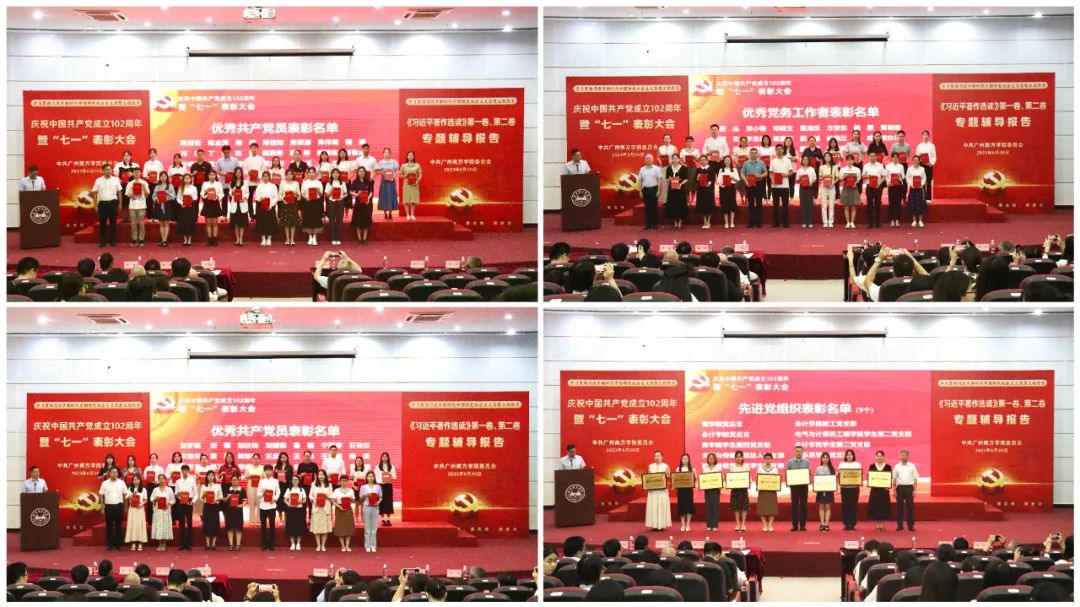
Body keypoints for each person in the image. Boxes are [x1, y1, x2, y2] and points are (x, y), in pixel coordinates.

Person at [91, 162, 123, 247]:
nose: (108, 171)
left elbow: (119, 191)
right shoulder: (98, 180)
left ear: (112, 170)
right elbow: (94, 192)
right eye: (106, 169)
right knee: (102, 223)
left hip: (113, 203)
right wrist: (95, 205)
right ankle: (102, 241)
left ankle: (113, 241)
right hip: (102, 204)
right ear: (103, 171)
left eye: (110, 169)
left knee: (113, 223)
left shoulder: (115, 180)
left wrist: (120, 203)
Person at [99, 466, 129, 551]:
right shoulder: (105, 483)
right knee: (109, 526)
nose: (114, 474)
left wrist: (126, 507)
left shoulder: (121, 482)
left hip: (119, 506)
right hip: (108, 507)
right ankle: (110, 544)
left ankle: (118, 545)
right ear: (109, 473)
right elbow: (101, 494)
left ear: (117, 473)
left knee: (119, 526)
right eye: (112, 472)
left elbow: (125, 495)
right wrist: (102, 507)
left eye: (116, 472)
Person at [768, 143, 793, 228]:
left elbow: (791, 172)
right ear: (775, 151)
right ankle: (776, 222)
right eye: (777, 149)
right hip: (775, 186)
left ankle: (785, 222)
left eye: (780, 149)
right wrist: (772, 180)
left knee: (785, 205)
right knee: (775, 205)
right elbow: (770, 173)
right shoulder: (773, 161)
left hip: (785, 186)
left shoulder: (787, 160)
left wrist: (785, 175)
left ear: (783, 150)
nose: (779, 150)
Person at [645, 450, 671, 531]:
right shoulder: (650, 466)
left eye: (658, 456)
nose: (657, 457)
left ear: (662, 457)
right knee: (653, 507)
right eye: (655, 456)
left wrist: (667, 472)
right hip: (652, 491)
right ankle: (654, 525)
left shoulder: (665, 466)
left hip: (662, 491)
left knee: (661, 506)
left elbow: (669, 476)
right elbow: (648, 478)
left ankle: (661, 525)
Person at [255, 465, 280, 550]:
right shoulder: (261, 482)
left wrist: (275, 499)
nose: (268, 472)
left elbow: (278, 492)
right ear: (264, 471)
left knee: (272, 526)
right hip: (263, 506)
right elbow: (258, 494)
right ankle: (264, 544)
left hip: (272, 506)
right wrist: (262, 493)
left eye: (270, 470)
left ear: (272, 471)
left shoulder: (275, 481)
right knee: (263, 526)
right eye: (267, 470)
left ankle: (271, 544)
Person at [741, 148, 767, 228]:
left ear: (757, 154)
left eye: (755, 153)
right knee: (750, 203)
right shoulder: (746, 163)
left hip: (759, 184)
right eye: (752, 153)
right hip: (749, 184)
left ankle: (759, 222)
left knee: (759, 203)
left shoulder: (761, 162)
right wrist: (746, 181)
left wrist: (760, 175)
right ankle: (751, 222)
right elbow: (742, 173)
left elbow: (766, 172)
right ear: (749, 154)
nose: (753, 154)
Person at [867, 450, 892, 532]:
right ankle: (877, 524)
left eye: (881, 456)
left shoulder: (888, 466)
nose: (879, 457)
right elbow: (870, 478)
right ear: (875, 457)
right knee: (876, 506)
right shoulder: (872, 466)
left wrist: (888, 486)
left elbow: (889, 478)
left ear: (883, 457)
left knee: (883, 506)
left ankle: (882, 524)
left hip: (884, 491)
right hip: (875, 491)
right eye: (878, 456)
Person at [893, 450, 918, 531]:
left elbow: (915, 479)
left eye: (905, 455)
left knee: (910, 507)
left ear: (908, 456)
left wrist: (915, 490)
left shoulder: (912, 466)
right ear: (900, 456)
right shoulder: (897, 466)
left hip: (909, 488)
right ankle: (899, 525)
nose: (903, 457)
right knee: (899, 507)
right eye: (902, 455)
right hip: (899, 488)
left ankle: (911, 525)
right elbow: (894, 479)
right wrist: (894, 490)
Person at [348, 166, 375, 243]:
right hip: (358, 204)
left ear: (365, 173)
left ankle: (365, 238)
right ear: (358, 173)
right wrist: (357, 194)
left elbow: (371, 192)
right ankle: (359, 238)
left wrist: (368, 198)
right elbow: (350, 191)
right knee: (358, 221)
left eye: (363, 171)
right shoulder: (355, 182)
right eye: (360, 171)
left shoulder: (368, 182)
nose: (361, 173)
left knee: (366, 221)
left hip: (366, 204)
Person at [124, 167, 149, 246]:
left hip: (142, 205)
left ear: (140, 173)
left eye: (138, 172)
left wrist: (144, 188)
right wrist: (131, 195)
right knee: (133, 223)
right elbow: (127, 194)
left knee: (141, 223)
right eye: (135, 172)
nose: (136, 174)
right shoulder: (130, 183)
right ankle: (134, 239)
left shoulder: (144, 183)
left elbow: (147, 195)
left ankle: (141, 239)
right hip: (132, 205)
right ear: (133, 173)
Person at [173, 464, 197, 550]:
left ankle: (189, 543)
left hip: (189, 503)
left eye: (186, 470)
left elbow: (196, 494)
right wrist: (180, 497)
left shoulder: (192, 481)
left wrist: (192, 502)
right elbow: (176, 493)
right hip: (181, 502)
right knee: (181, 523)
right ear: (181, 471)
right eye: (183, 470)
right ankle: (182, 543)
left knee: (189, 523)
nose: (184, 472)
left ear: (188, 471)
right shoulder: (178, 481)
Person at [309, 469, 334, 552]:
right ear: (317, 476)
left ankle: (323, 545)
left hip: (325, 508)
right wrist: (314, 500)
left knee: (325, 528)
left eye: (323, 474)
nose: (321, 476)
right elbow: (310, 495)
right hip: (316, 508)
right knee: (317, 527)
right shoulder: (313, 484)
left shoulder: (329, 485)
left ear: (325, 476)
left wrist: (327, 496)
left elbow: (332, 496)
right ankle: (318, 545)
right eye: (319, 474)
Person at [787, 445, 810, 532]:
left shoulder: (807, 462)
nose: (798, 452)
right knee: (794, 505)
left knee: (803, 505)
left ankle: (803, 525)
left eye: (800, 451)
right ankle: (795, 525)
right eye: (797, 451)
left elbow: (808, 474)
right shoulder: (790, 462)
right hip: (794, 487)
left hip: (804, 486)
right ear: (794, 452)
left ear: (802, 452)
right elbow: (788, 474)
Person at [252, 171, 279, 247]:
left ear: (269, 177)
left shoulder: (273, 186)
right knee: (262, 222)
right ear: (262, 177)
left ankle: (269, 238)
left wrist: (271, 205)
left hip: (270, 207)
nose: (265, 178)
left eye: (267, 176)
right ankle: (263, 238)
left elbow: (276, 197)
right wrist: (260, 198)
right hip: (261, 207)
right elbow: (256, 197)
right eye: (264, 176)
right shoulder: (259, 186)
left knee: (270, 222)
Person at [199, 169, 225, 246]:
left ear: (215, 175)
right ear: (208, 176)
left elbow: (222, 194)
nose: (212, 176)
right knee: (208, 223)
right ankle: (209, 239)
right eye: (210, 175)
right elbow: (202, 194)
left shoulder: (218, 184)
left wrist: (217, 196)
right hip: (207, 203)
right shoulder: (205, 184)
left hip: (215, 203)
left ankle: (215, 239)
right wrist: (206, 191)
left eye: (213, 175)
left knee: (215, 223)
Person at [638, 154, 663, 230]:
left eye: (650, 158)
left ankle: (655, 224)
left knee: (654, 207)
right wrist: (640, 191)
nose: (648, 160)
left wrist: (658, 190)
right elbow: (640, 180)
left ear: (653, 160)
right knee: (647, 207)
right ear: (645, 160)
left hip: (654, 189)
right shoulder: (642, 169)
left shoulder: (657, 168)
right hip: (645, 189)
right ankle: (648, 224)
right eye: (647, 158)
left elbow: (660, 180)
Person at [359, 471, 382, 552]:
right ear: (366, 478)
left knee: (374, 527)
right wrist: (365, 495)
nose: (371, 478)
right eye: (369, 476)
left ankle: (373, 545)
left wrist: (378, 502)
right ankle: (367, 545)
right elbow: (360, 498)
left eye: (372, 476)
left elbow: (380, 497)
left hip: (375, 507)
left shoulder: (378, 486)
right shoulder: (363, 487)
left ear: (374, 477)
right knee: (367, 527)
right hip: (367, 507)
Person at [862, 152, 886, 228]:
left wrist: (879, 184)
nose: (872, 157)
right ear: (869, 157)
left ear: (876, 157)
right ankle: (870, 223)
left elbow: (884, 176)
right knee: (869, 205)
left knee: (878, 204)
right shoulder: (866, 166)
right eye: (871, 156)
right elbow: (863, 176)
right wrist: (867, 177)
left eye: (874, 156)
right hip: (869, 187)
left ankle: (877, 222)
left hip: (878, 187)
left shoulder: (880, 165)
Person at [837, 449, 860, 531]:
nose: (849, 456)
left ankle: (852, 524)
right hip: (845, 488)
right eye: (848, 455)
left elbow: (859, 475)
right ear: (845, 456)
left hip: (854, 488)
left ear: (853, 456)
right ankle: (846, 524)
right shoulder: (841, 464)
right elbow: (838, 475)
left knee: (853, 506)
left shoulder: (857, 464)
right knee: (845, 506)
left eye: (851, 454)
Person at [698, 453, 722, 531]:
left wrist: (720, 485)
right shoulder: (705, 469)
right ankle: (709, 524)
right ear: (707, 460)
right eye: (709, 458)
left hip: (716, 490)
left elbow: (721, 479)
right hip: (708, 490)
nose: (711, 459)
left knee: (715, 507)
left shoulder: (718, 468)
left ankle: (715, 525)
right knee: (708, 507)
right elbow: (703, 480)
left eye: (712, 458)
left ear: (715, 459)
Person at [151, 171, 176, 246]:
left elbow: (174, 196)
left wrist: (168, 193)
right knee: (161, 223)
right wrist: (156, 199)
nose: (163, 178)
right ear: (159, 177)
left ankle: (165, 240)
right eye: (161, 176)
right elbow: (153, 196)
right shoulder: (157, 186)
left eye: (165, 176)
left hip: (167, 205)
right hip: (159, 205)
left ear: (167, 177)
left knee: (166, 223)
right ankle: (162, 239)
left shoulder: (170, 186)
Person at [283, 474, 307, 551]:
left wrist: (300, 501)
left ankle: (298, 543)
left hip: (299, 509)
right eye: (293, 480)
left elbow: (305, 500)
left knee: (299, 526)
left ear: (299, 481)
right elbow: (285, 499)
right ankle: (293, 543)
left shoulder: (301, 490)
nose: (295, 481)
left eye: (296, 480)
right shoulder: (289, 490)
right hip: (291, 510)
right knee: (291, 526)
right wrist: (288, 504)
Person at [200, 470, 223, 551]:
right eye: (209, 475)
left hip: (215, 506)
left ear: (214, 477)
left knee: (215, 524)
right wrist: (204, 494)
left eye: (212, 475)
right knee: (207, 524)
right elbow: (201, 498)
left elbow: (221, 497)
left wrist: (216, 499)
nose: (210, 477)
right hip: (207, 507)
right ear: (206, 477)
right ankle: (207, 544)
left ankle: (213, 544)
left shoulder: (217, 486)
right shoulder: (204, 486)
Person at [324, 168, 347, 245]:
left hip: (340, 202)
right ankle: (333, 238)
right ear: (332, 174)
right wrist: (331, 191)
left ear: (339, 174)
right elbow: (326, 195)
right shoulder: (329, 183)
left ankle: (338, 238)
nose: (336, 174)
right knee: (332, 220)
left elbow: (346, 193)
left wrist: (341, 197)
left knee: (339, 220)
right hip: (332, 202)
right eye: (334, 173)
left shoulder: (342, 183)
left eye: (337, 173)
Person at [664, 154, 689, 229]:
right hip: (672, 190)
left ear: (679, 159)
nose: (675, 160)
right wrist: (669, 179)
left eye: (676, 158)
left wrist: (681, 183)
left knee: (680, 205)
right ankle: (675, 223)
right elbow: (666, 179)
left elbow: (686, 179)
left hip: (680, 189)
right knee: (673, 205)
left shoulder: (683, 168)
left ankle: (680, 222)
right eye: (673, 158)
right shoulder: (669, 168)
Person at [332, 477, 356, 551]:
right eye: (342, 481)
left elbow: (353, 501)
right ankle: (342, 545)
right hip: (339, 509)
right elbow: (333, 501)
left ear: (348, 482)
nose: (344, 482)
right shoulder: (336, 490)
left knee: (348, 527)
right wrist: (339, 506)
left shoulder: (351, 490)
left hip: (348, 510)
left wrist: (351, 499)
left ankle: (347, 546)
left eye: (345, 481)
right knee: (340, 527)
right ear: (339, 482)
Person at [756, 452, 778, 531]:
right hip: (763, 491)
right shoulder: (760, 468)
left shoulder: (775, 468)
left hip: (772, 491)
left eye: (769, 458)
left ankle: (770, 525)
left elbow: (776, 479)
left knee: (772, 509)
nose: (768, 460)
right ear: (764, 459)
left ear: (771, 459)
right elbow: (757, 478)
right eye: (766, 458)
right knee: (762, 509)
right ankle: (765, 525)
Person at [376, 147, 400, 221]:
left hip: (391, 180)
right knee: (384, 196)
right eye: (385, 152)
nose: (386, 154)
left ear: (390, 153)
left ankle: (390, 213)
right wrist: (384, 171)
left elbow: (398, 170)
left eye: (388, 152)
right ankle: (385, 213)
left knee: (391, 196)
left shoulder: (394, 162)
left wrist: (394, 176)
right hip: (384, 181)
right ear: (383, 154)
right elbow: (378, 172)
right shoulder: (380, 162)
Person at [175, 173, 198, 247]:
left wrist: (191, 198)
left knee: (190, 223)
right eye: (185, 178)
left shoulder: (193, 188)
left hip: (191, 207)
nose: (187, 180)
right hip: (183, 207)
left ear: (191, 179)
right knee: (184, 223)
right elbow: (178, 198)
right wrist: (182, 203)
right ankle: (185, 239)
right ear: (183, 179)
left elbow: (195, 197)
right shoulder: (180, 187)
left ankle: (189, 239)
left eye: (188, 178)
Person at [223, 474, 245, 551]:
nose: (234, 481)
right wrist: (227, 497)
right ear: (231, 481)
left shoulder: (242, 490)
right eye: (233, 480)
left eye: (236, 480)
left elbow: (245, 500)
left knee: (238, 528)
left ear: (238, 481)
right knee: (230, 528)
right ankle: (231, 545)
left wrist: (241, 505)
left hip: (238, 511)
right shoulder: (227, 489)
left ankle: (238, 545)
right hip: (229, 511)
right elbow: (224, 500)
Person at [696, 151, 718, 229]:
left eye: (704, 160)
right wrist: (698, 178)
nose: (702, 161)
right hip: (701, 190)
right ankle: (704, 221)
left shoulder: (711, 169)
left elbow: (713, 179)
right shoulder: (698, 169)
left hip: (709, 190)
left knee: (709, 205)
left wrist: (709, 183)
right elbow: (696, 180)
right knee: (703, 206)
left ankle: (709, 221)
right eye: (701, 160)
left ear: (707, 160)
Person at [815, 452, 836, 531]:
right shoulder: (818, 469)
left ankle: (826, 524)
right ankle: (822, 524)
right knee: (821, 507)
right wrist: (816, 487)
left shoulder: (831, 469)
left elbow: (834, 480)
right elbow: (816, 480)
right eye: (823, 457)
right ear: (821, 459)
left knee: (827, 507)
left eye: (827, 458)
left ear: (829, 459)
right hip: (820, 491)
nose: (825, 459)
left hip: (829, 491)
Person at [883, 152, 905, 228]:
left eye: (896, 157)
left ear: (898, 158)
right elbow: (886, 176)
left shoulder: (901, 166)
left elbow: (903, 176)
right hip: (891, 186)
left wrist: (901, 175)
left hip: (898, 186)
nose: (895, 158)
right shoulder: (888, 166)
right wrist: (889, 182)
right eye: (894, 157)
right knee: (891, 203)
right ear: (892, 158)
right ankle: (892, 220)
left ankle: (897, 220)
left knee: (898, 203)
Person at [795, 153, 817, 228]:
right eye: (804, 159)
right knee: (803, 204)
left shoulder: (812, 169)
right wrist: (799, 179)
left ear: (808, 161)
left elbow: (814, 178)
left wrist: (811, 183)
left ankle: (809, 221)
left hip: (810, 188)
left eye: (806, 159)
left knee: (809, 205)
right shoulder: (799, 170)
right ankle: (804, 221)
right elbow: (797, 180)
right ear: (802, 161)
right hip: (802, 188)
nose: (805, 161)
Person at [906, 156, 929, 228]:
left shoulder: (922, 169)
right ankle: (914, 220)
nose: (916, 161)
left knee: (920, 203)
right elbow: (907, 177)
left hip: (920, 188)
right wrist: (911, 184)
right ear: (913, 161)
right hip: (912, 188)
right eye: (914, 160)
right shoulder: (909, 169)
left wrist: (922, 184)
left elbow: (924, 177)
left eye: (917, 160)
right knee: (913, 203)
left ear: (919, 161)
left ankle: (920, 220)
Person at [674, 453, 695, 531]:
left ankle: (688, 524)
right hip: (681, 491)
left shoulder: (692, 469)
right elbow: (675, 479)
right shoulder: (678, 469)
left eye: (686, 458)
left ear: (688, 460)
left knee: (689, 507)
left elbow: (695, 479)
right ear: (681, 460)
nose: (685, 460)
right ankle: (683, 524)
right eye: (683, 458)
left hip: (689, 490)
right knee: (682, 507)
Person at [915, 130, 937, 201]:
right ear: (922, 136)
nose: (925, 136)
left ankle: (928, 198)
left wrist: (931, 163)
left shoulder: (932, 145)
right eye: (924, 135)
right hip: (921, 166)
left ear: (929, 136)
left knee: (928, 181)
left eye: (926, 135)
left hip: (929, 165)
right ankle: (922, 197)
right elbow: (917, 156)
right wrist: (919, 159)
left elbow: (934, 156)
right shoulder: (919, 146)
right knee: (922, 181)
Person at [400, 151, 422, 222]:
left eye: (412, 155)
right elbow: (400, 175)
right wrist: (405, 176)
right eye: (409, 155)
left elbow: (420, 174)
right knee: (406, 200)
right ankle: (407, 215)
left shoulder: (417, 165)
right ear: (407, 156)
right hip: (406, 184)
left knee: (413, 200)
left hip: (414, 184)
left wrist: (417, 181)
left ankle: (412, 215)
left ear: (414, 156)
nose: (410, 156)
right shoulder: (403, 165)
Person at [376, 452, 396, 527]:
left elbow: (394, 477)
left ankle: (388, 519)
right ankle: (383, 520)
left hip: (388, 486)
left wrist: (391, 475)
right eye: (383, 456)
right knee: (381, 502)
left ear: (388, 458)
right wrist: (381, 482)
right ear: (381, 458)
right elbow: (375, 476)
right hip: (381, 486)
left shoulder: (391, 466)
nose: (385, 458)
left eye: (386, 456)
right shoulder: (378, 466)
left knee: (388, 502)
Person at [273, 452, 293, 523]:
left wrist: (286, 480)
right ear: (279, 458)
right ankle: (281, 520)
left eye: (284, 457)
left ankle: (285, 520)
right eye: (281, 457)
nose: (283, 458)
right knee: (279, 504)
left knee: (286, 504)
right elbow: (274, 477)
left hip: (286, 487)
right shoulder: (277, 467)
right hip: (279, 487)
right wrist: (275, 472)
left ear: (287, 458)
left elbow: (291, 478)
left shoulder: (290, 467)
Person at [245, 454, 264, 526]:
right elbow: (246, 476)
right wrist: (250, 476)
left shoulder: (262, 467)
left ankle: (259, 520)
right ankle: (252, 520)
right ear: (252, 459)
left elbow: (264, 477)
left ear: (259, 460)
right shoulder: (248, 467)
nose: (256, 460)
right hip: (251, 486)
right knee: (251, 504)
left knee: (259, 504)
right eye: (254, 458)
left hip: (260, 487)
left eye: (257, 458)